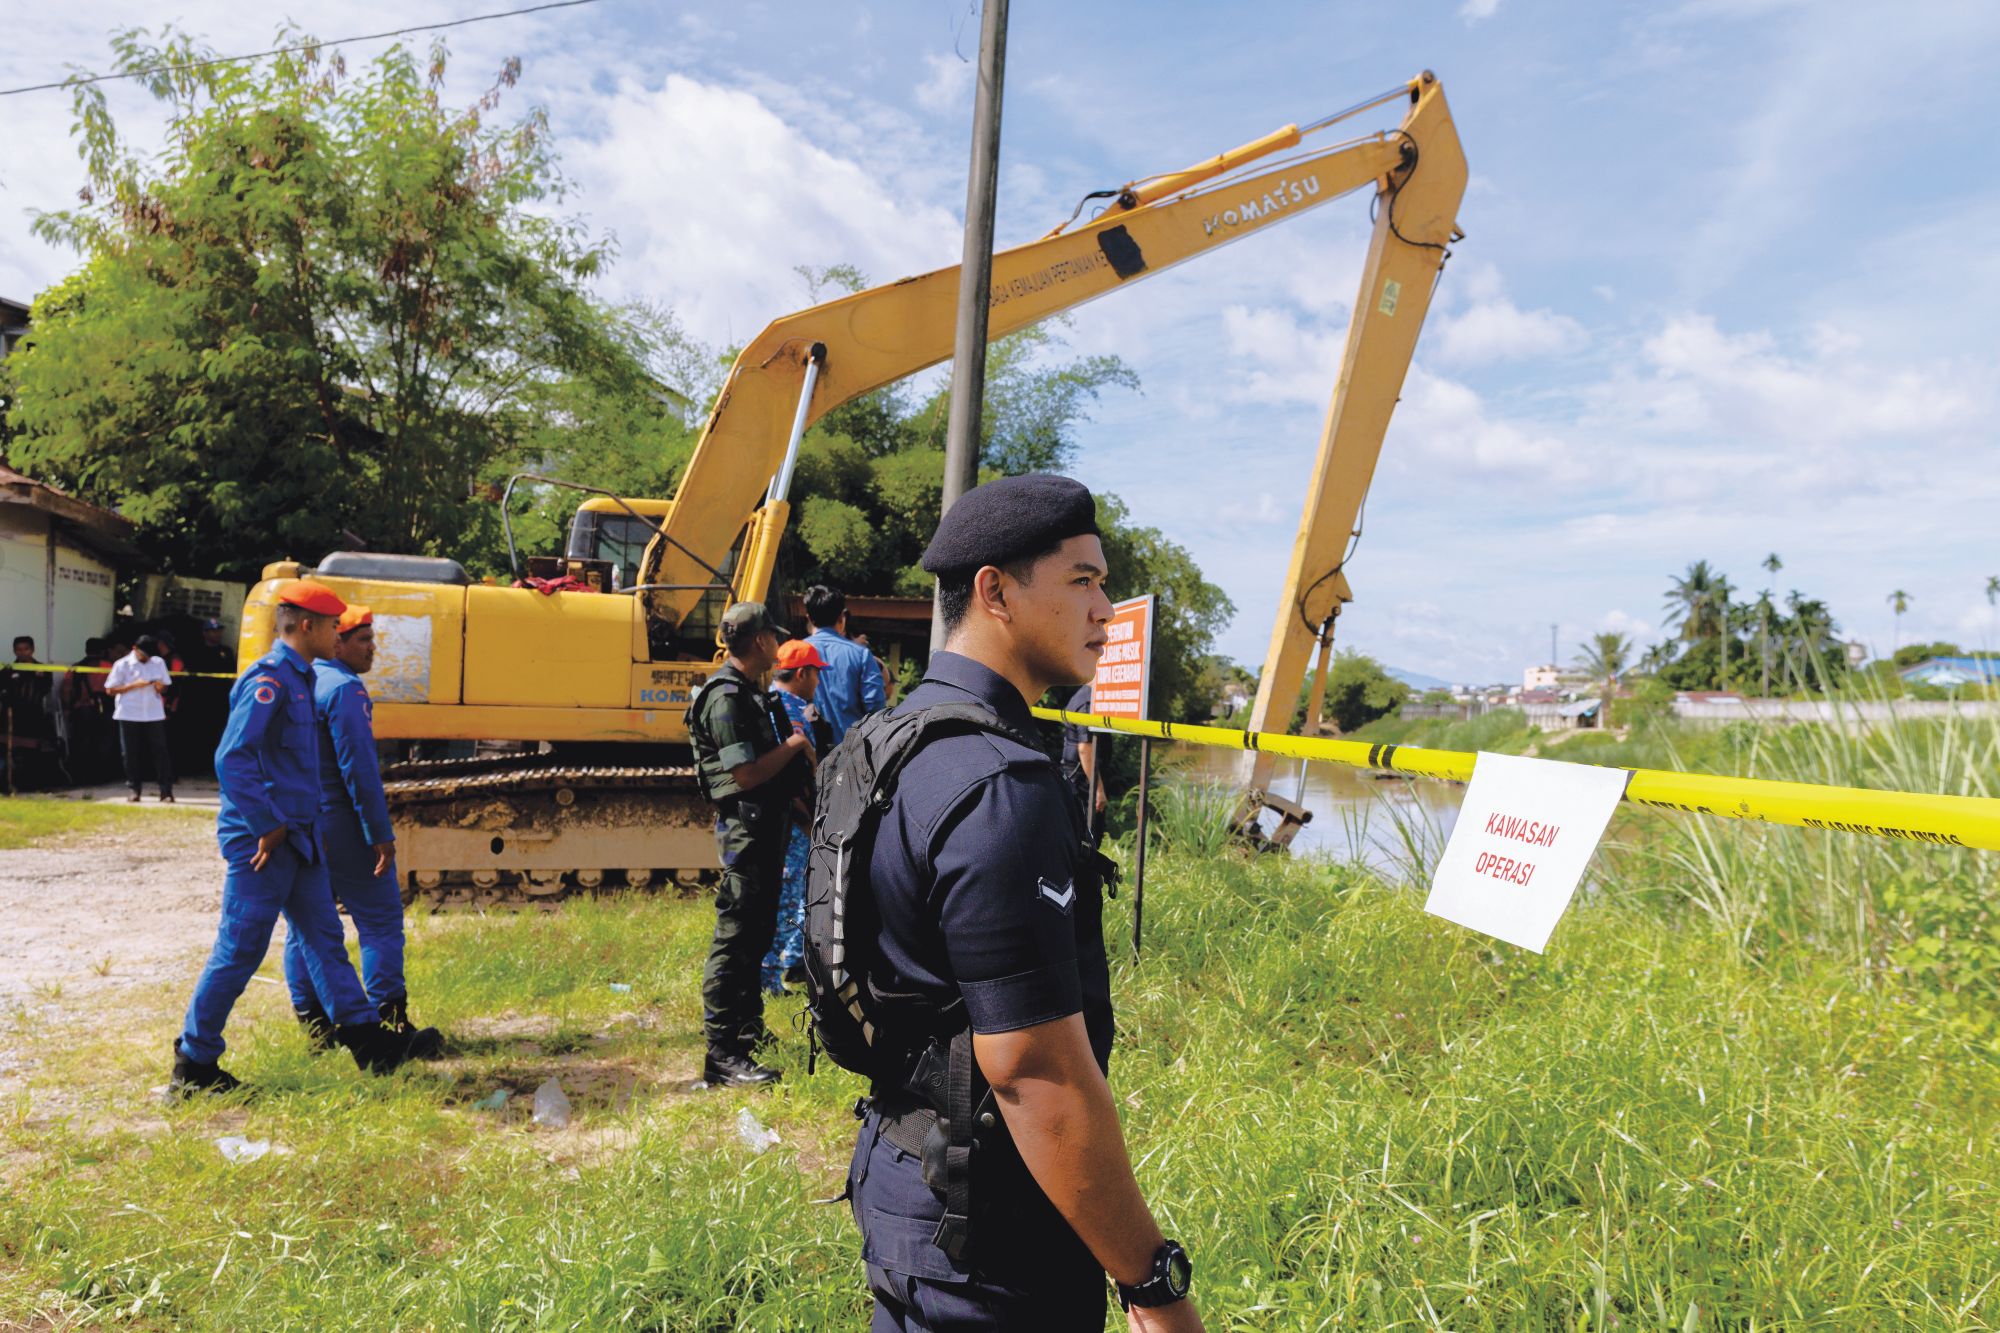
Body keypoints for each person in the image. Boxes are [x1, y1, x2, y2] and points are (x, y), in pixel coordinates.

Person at [845, 474, 1201, 1330]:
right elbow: (1036, 1074)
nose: (1106, 609)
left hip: (902, 1176)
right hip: (989, 1234)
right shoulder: (1001, 783)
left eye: (1105, 583)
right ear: (995, 590)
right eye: (1082, 580)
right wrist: (1154, 1286)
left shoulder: (886, 742)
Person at [170, 579, 423, 1096]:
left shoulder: (306, 679)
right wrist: (266, 824)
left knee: (325, 939)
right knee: (240, 949)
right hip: (265, 842)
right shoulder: (270, 680)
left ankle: (368, 1043)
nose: (338, 634)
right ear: (307, 626)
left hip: (301, 838)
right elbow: (231, 758)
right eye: (333, 626)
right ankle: (194, 1064)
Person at [284, 604, 443, 1058]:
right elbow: (360, 770)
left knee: (308, 928)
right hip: (343, 823)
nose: (374, 649)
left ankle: (317, 1029)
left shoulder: (305, 683)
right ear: (337, 641)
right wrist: (380, 832)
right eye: (364, 640)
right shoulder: (346, 691)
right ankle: (391, 1023)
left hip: (306, 822)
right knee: (380, 921)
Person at [686, 601, 812, 1087]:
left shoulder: (747, 692)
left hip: (764, 829)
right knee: (734, 940)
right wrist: (796, 747)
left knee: (756, 934)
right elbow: (744, 774)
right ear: (760, 640)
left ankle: (746, 1032)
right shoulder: (725, 698)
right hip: (745, 831)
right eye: (773, 636)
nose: (777, 644)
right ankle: (721, 1054)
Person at [760, 637, 830, 996]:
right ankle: (770, 977)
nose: (818, 682)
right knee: (790, 894)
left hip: (773, 815)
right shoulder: (794, 711)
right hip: (794, 816)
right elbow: (798, 774)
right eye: (816, 674)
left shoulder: (767, 702)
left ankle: (783, 963)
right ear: (802, 673)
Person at [803, 584, 886, 744]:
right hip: (850, 754)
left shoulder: (794, 654)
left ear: (809, 618)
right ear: (842, 617)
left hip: (809, 753)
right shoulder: (861, 654)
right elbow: (875, 708)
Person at [104, 634, 175, 803]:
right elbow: (110, 690)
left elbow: (164, 687)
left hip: (153, 712)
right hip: (129, 712)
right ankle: (134, 789)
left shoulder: (158, 663)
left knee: (160, 752)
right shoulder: (122, 665)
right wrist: (133, 686)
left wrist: (159, 687)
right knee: (130, 753)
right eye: (144, 654)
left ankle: (166, 790)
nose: (147, 658)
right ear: (135, 648)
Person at [1060, 683, 1109, 843]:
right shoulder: (1087, 702)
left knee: (1078, 834)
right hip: (1083, 780)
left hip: (1077, 775)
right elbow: (1084, 748)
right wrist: (1098, 790)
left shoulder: (1081, 696)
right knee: (1089, 837)